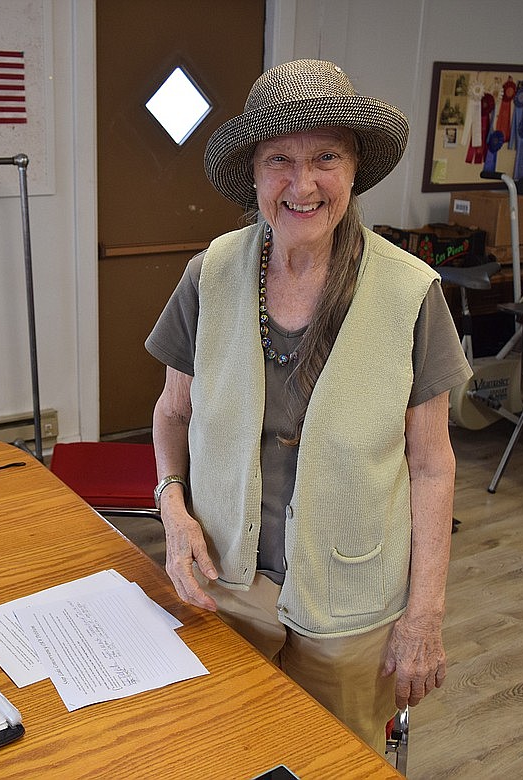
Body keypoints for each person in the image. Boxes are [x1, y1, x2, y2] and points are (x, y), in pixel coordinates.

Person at [145, 59, 472, 753]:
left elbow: (432, 466)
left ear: (354, 170)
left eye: (326, 157)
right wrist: (173, 512)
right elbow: (173, 413)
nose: (303, 184)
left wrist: (425, 614)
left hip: (351, 604)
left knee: (333, 759)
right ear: (255, 175)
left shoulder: (412, 293)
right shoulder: (209, 274)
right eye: (279, 161)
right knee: (225, 751)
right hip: (224, 586)